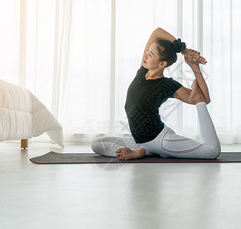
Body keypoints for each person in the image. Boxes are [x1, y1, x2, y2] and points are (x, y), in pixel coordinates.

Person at [91, 27, 221, 160]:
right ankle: (143, 151)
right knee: (97, 144)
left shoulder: (167, 85)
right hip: (138, 141)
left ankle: (142, 152)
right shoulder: (142, 72)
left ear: (162, 64)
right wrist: (184, 50)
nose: (146, 55)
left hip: (160, 140)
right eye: (147, 51)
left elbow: (204, 99)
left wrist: (195, 67)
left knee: (212, 151)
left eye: (151, 54)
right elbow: (157, 32)